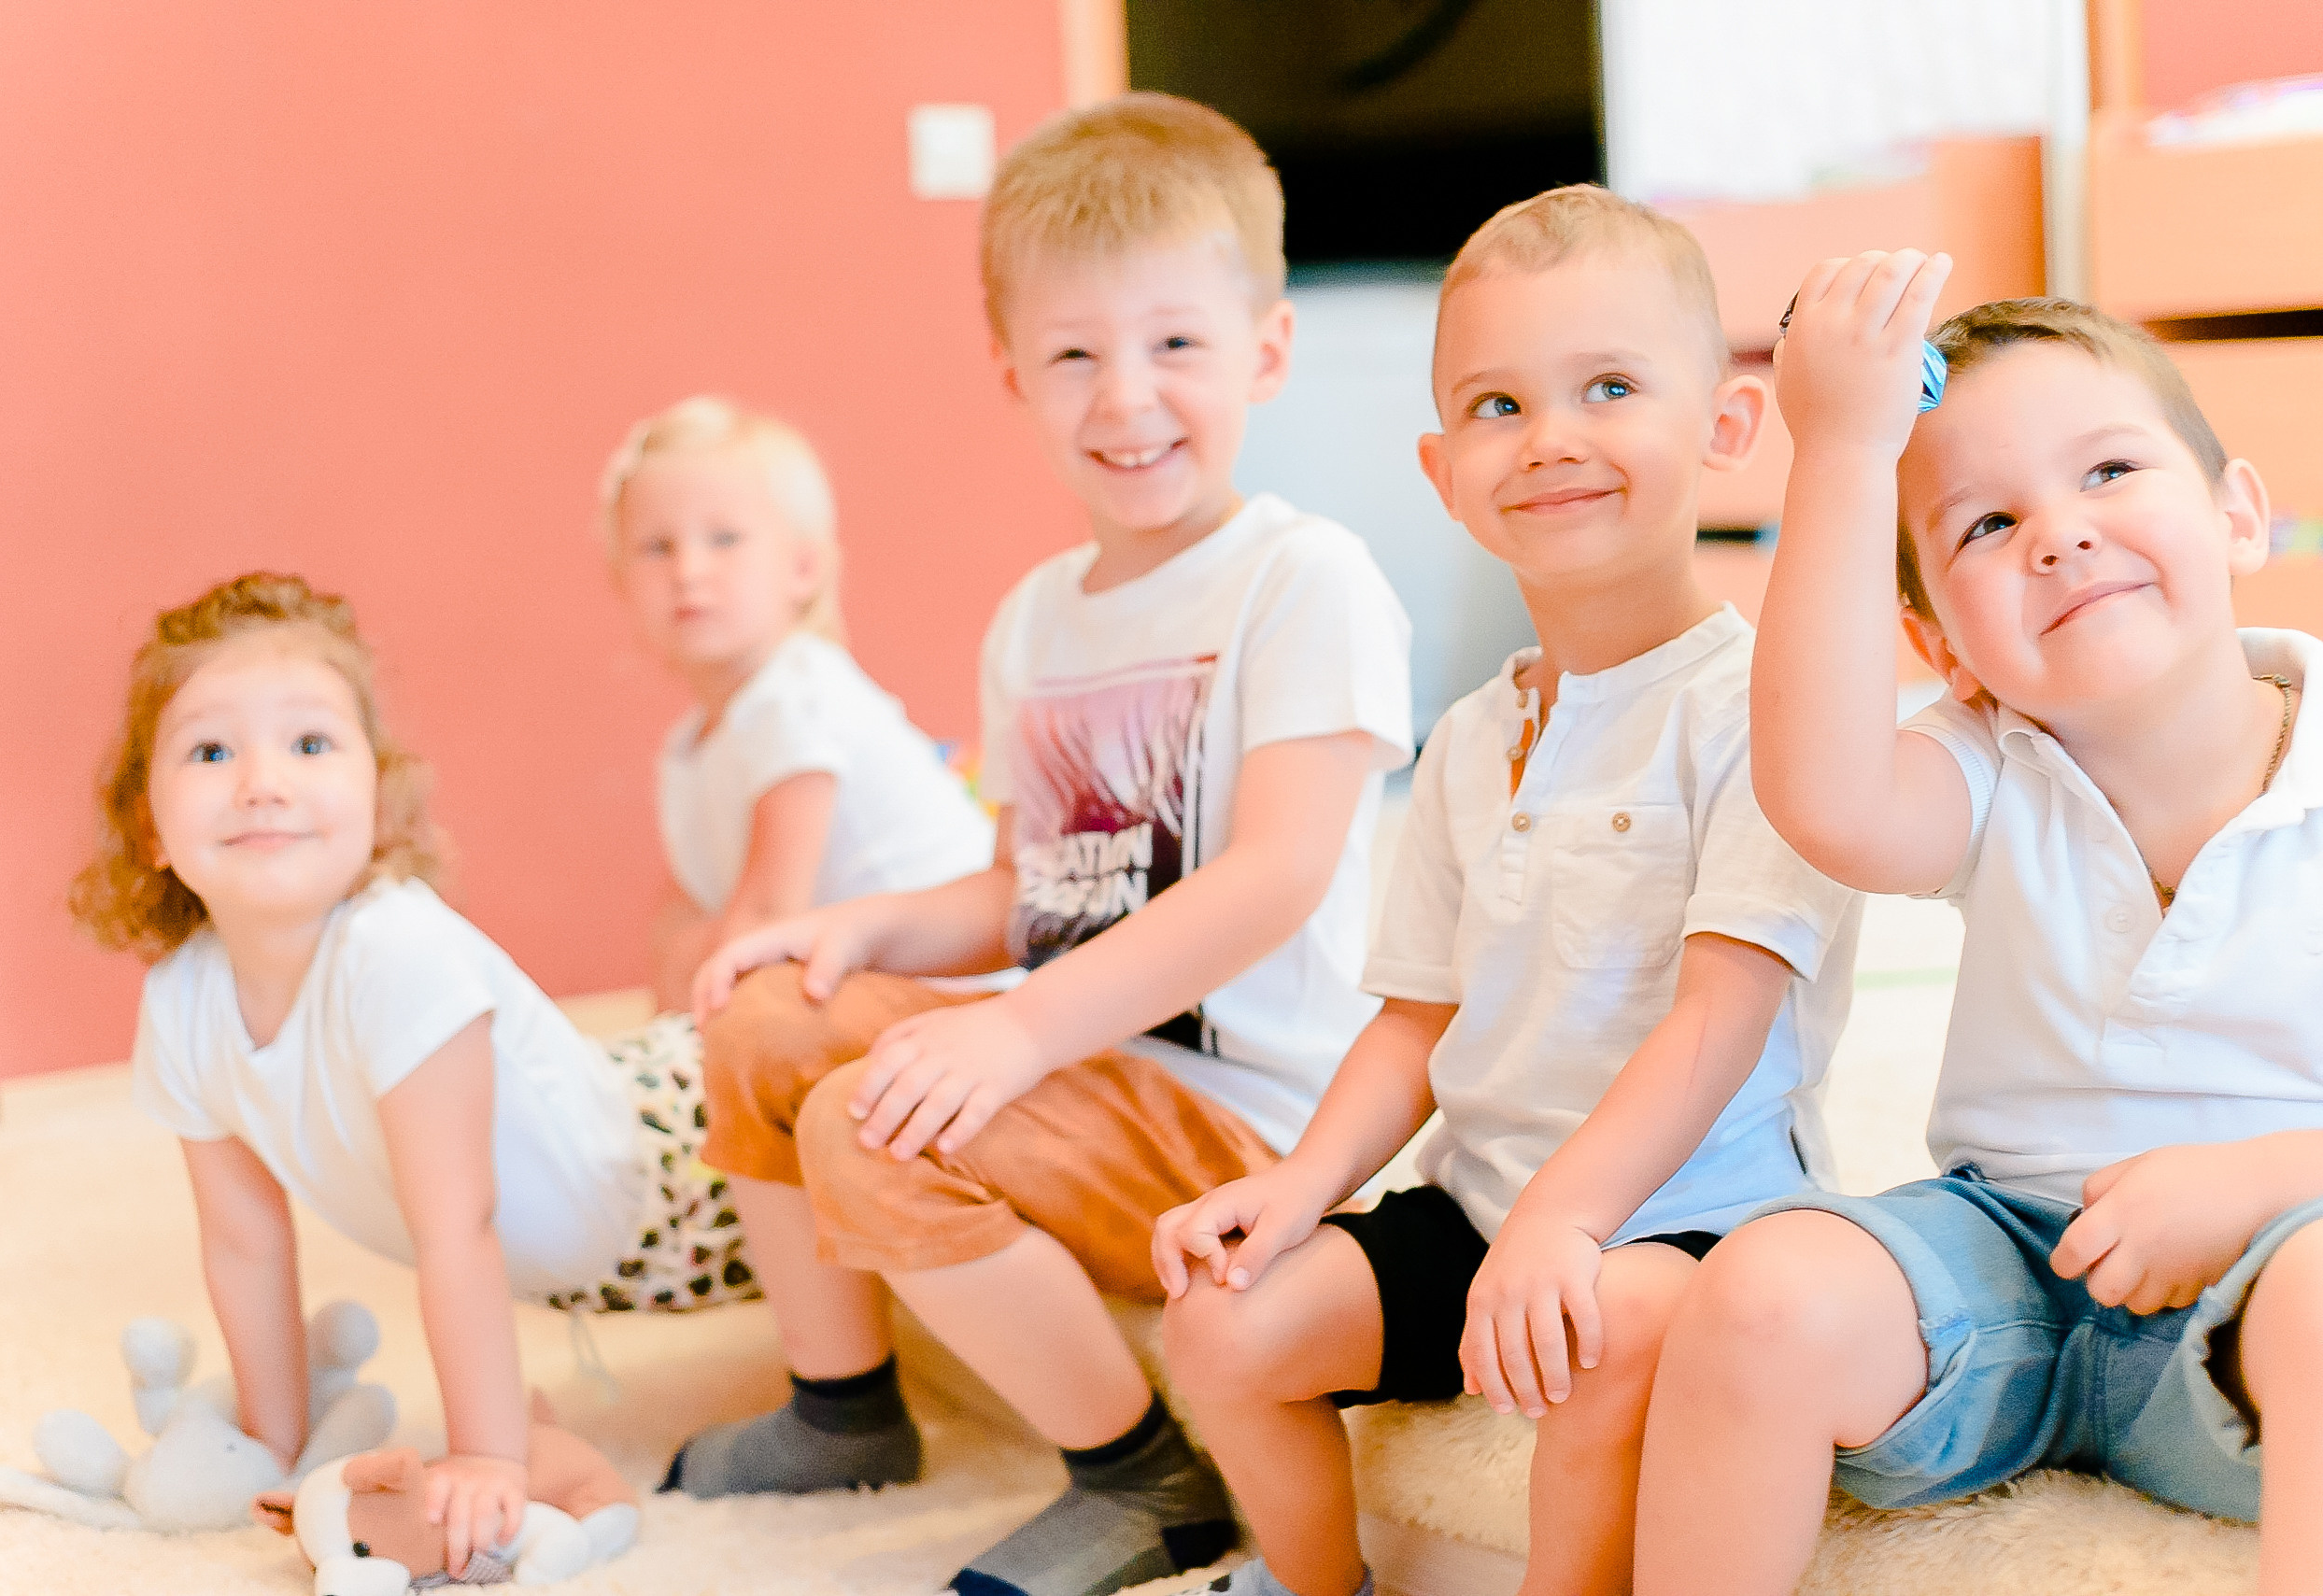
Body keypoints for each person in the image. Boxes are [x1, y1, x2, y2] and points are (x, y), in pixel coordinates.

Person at [665, 92, 1413, 1596]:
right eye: (1075, 355)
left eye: (1177, 346)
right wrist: (866, 934)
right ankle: (843, 1406)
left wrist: (1012, 1035)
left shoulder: (1304, 580)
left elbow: (1274, 876)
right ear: (1012, 372)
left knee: (869, 1122)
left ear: (1265, 349)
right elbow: (1034, 889)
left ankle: (1145, 1473)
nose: (1125, 398)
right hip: (1090, 1066)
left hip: (1255, 1127)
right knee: (764, 1017)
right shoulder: (1037, 619)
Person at [1152, 186, 1863, 1596]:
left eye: (1609, 385)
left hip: (1685, 1220)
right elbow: (1420, 1020)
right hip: (1477, 1206)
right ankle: (1311, 1579)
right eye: (1496, 404)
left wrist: (1569, 1223)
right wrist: (1300, 1188)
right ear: (1439, 467)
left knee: (1616, 1339)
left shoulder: (1762, 708)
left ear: (1725, 425)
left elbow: (1721, 1021)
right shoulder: (1473, 733)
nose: (1551, 440)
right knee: (1221, 1330)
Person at [1632, 261, 2323, 1596]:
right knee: (1763, 1289)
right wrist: (1839, 447)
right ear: (1939, 645)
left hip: (2266, 1290)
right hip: (2007, 1264)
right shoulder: (1984, 760)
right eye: (1988, 523)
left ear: (2242, 516)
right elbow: (1819, 790)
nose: (2059, 534)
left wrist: (2260, 1179)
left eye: (2112, 473)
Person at [73, 572, 749, 1582]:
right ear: (148, 825)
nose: (262, 779)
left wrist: (487, 1452)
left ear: (378, 794)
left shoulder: (396, 954)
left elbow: (458, 1226)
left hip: (689, 1165)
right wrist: (275, 1438)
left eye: (309, 743)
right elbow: (244, 1241)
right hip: (624, 1140)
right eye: (212, 751)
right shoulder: (183, 997)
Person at [602, 395, 995, 1015]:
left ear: (804, 567)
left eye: (725, 538)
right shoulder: (692, 745)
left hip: (960, 993)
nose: (689, 570)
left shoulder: (796, 699)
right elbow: (685, 919)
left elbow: (764, 920)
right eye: (656, 547)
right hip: (858, 986)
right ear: (619, 579)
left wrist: (687, 981)